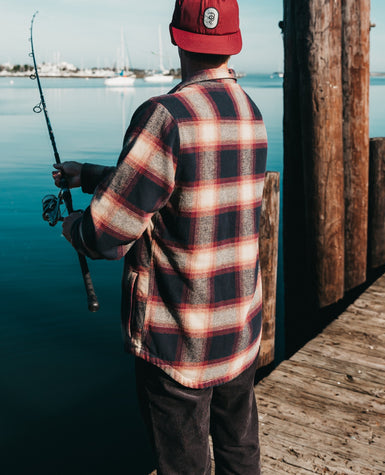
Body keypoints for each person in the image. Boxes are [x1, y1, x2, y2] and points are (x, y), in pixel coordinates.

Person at [53, 1, 268, 473]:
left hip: (178, 345)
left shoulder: (164, 116)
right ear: (234, 42)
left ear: (176, 38)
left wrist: (75, 228)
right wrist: (87, 175)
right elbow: (189, 185)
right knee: (239, 454)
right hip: (238, 331)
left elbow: (108, 235)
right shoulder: (250, 113)